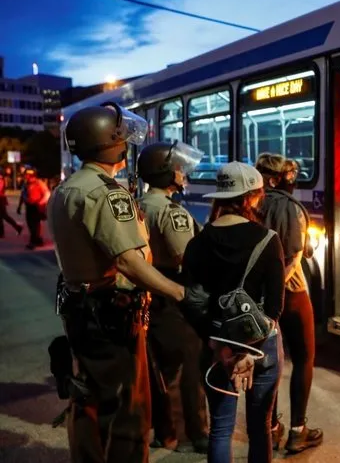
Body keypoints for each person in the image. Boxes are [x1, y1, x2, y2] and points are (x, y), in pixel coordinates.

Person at [47, 102, 199, 463]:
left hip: (80, 309)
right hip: (110, 313)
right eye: (120, 135)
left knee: (87, 398)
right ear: (109, 142)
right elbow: (129, 261)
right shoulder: (107, 192)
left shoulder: (66, 189)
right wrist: (179, 292)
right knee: (128, 411)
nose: (126, 142)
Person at [181, 161, 286, 463]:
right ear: (250, 197)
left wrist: (218, 345)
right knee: (260, 428)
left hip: (216, 344)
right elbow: (275, 307)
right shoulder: (268, 240)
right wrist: (249, 352)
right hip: (262, 346)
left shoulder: (197, 243)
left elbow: (192, 301)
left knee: (221, 429)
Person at [136, 141, 209, 453]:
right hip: (174, 295)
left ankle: (164, 429)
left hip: (149, 292)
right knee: (188, 368)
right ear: (165, 173)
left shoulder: (139, 203)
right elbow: (186, 256)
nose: (182, 174)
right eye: (178, 168)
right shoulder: (171, 211)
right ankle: (192, 433)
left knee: (159, 369)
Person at [255, 153, 323, 453]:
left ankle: (269, 429)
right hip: (291, 293)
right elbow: (297, 255)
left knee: (267, 363)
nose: (292, 180)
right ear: (275, 179)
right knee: (304, 358)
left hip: (257, 296)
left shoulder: (250, 204)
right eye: (288, 175)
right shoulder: (291, 207)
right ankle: (297, 430)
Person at [17, 167, 50, 249]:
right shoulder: (26, 184)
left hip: (36, 206)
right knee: (30, 224)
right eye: (26, 175)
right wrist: (19, 206)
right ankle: (38, 240)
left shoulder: (39, 183)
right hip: (29, 206)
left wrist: (40, 202)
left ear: (32, 175)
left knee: (35, 225)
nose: (26, 176)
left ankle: (33, 242)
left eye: (28, 175)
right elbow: (23, 195)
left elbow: (47, 194)